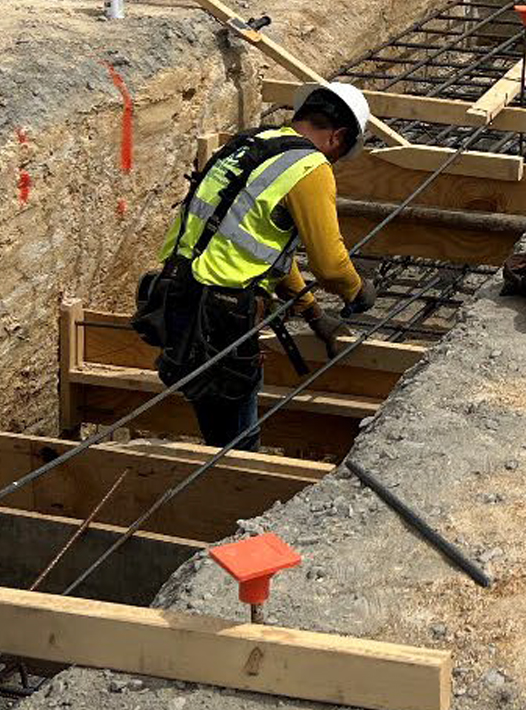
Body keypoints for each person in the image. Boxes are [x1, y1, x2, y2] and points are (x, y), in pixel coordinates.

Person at [145, 82, 377, 449]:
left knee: (212, 411)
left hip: (175, 291)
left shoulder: (248, 144)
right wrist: (357, 289)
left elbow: (258, 249)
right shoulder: (311, 167)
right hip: (222, 312)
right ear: (340, 137)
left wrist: (313, 314)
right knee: (236, 436)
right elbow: (330, 265)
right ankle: (236, 495)